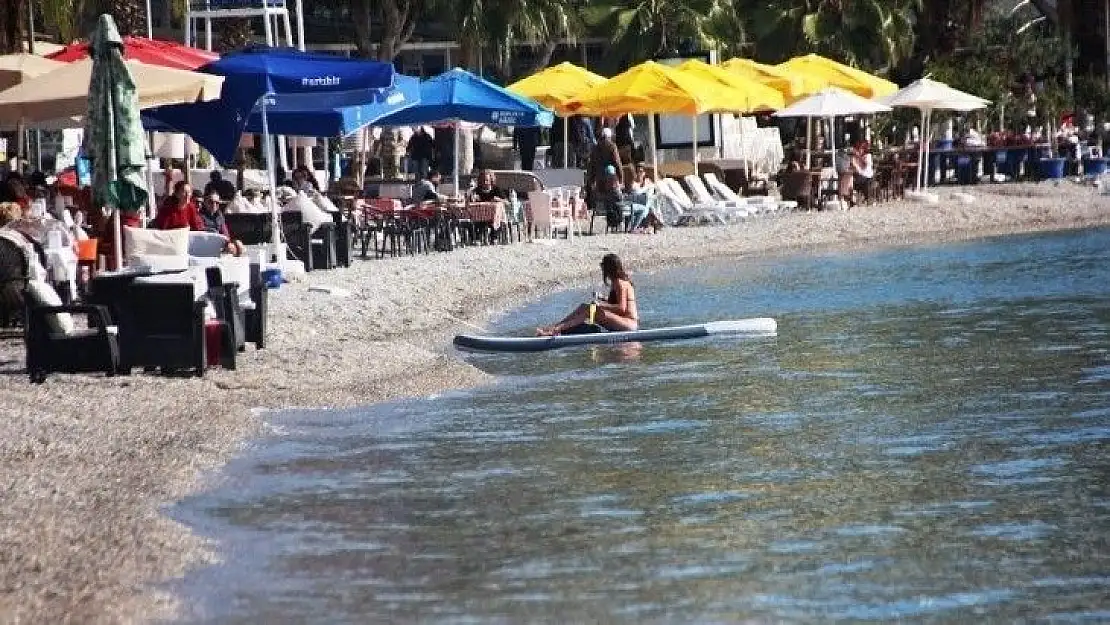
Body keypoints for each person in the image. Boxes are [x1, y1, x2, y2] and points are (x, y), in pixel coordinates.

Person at [537, 253, 639, 335]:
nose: (602, 269)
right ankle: (555, 327)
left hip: (629, 324)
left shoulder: (620, 283)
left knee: (590, 310)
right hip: (623, 321)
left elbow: (621, 308)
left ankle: (556, 330)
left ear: (609, 268)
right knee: (584, 306)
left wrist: (600, 304)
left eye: (603, 266)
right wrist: (602, 298)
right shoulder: (617, 282)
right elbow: (615, 304)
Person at [198, 191, 244, 256]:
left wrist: (228, 242)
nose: (214, 205)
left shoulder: (219, 215)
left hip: (220, 242)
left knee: (239, 245)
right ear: (205, 202)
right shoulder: (200, 215)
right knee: (230, 248)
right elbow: (200, 230)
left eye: (217, 203)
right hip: (207, 244)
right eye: (211, 202)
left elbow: (225, 233)